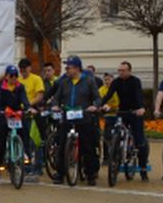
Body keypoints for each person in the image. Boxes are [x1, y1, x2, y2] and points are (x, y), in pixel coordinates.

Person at [49, 56, 101, 185]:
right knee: (61, 145)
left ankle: (90, 174)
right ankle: (60, 173)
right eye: (66, 67)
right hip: (67, 117)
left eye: (69, 67)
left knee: (88, 147)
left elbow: (97, 97)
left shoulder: (89, 81)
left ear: (77, 68)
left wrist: (94, 106)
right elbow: (57, 97)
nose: (66, 70)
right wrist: (55, 105)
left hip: (84, 118)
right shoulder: (64, 82)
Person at [99, 61, 148, 181]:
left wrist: (141, 108)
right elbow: (109, 95)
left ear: (129, 71)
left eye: (123, 70)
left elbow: (138, 95)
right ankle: (117, 151)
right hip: (122, 112)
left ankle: (142, 169)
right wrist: (99, 104)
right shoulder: (116, 82)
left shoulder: (135, 81)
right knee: (117, 132)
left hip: (135, 112)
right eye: (119, 70)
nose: (120, 73)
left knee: (140, 140)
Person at [0, 65, 33, 185]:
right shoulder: (1, 87)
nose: (14, 78)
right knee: (2, 142)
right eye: (11, 76)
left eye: (15, 76)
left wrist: (28, 108)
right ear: (7, 76)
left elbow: (24, 100)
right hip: (4, 114)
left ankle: (24, 153)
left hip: (17, 114)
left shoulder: (20, 87)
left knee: (25, 132)